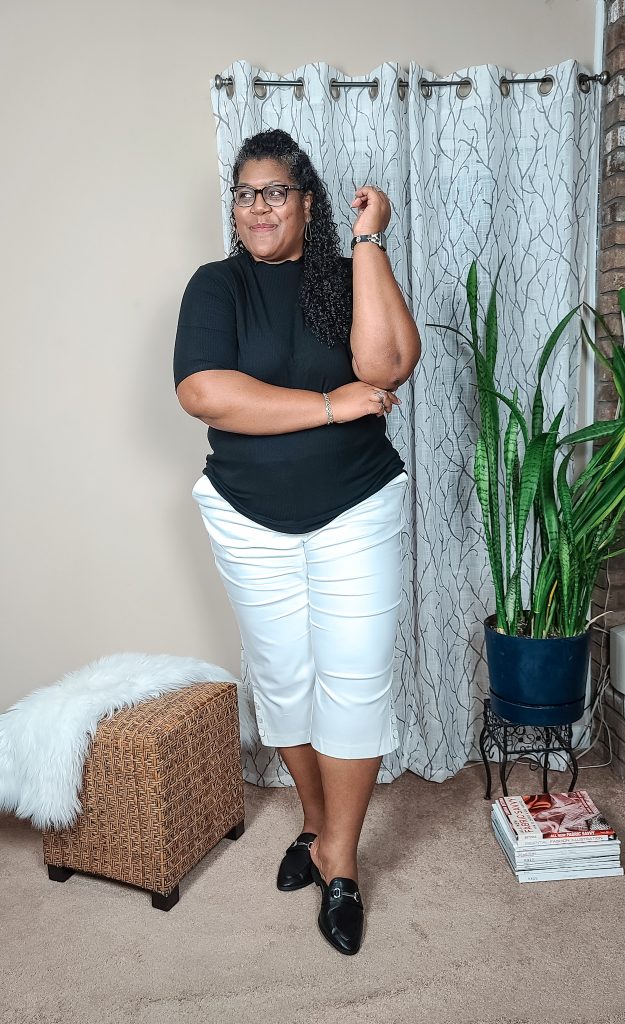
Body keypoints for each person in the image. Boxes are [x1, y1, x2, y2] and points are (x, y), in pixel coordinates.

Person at [174, 128, 420, 955]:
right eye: (244, 194)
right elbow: (208, 392)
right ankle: (315, 827)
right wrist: (328, 404)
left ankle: (340, 863)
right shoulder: (215, 286)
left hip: (356, 505)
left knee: (353, 675)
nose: (257, 207)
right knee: (283, 679)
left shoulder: (346, 276)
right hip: (247, 516)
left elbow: (385, 367)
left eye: (275, 191)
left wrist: (370, 238)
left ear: (307, 202)